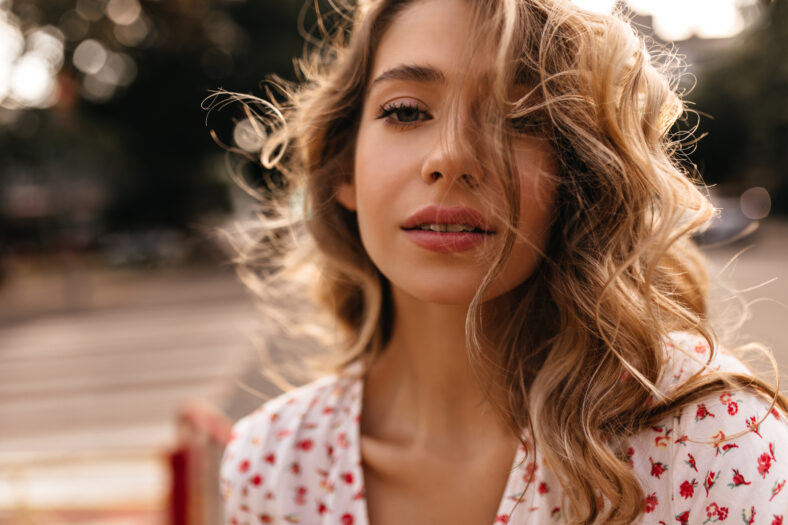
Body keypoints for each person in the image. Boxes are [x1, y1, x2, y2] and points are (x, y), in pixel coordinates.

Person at [217, 0, 788, 523]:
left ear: (580, 175)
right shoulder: (270, 467)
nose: (452, 157)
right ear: (344, 168)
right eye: (407, 111)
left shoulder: (716, 443)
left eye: (522, 119)